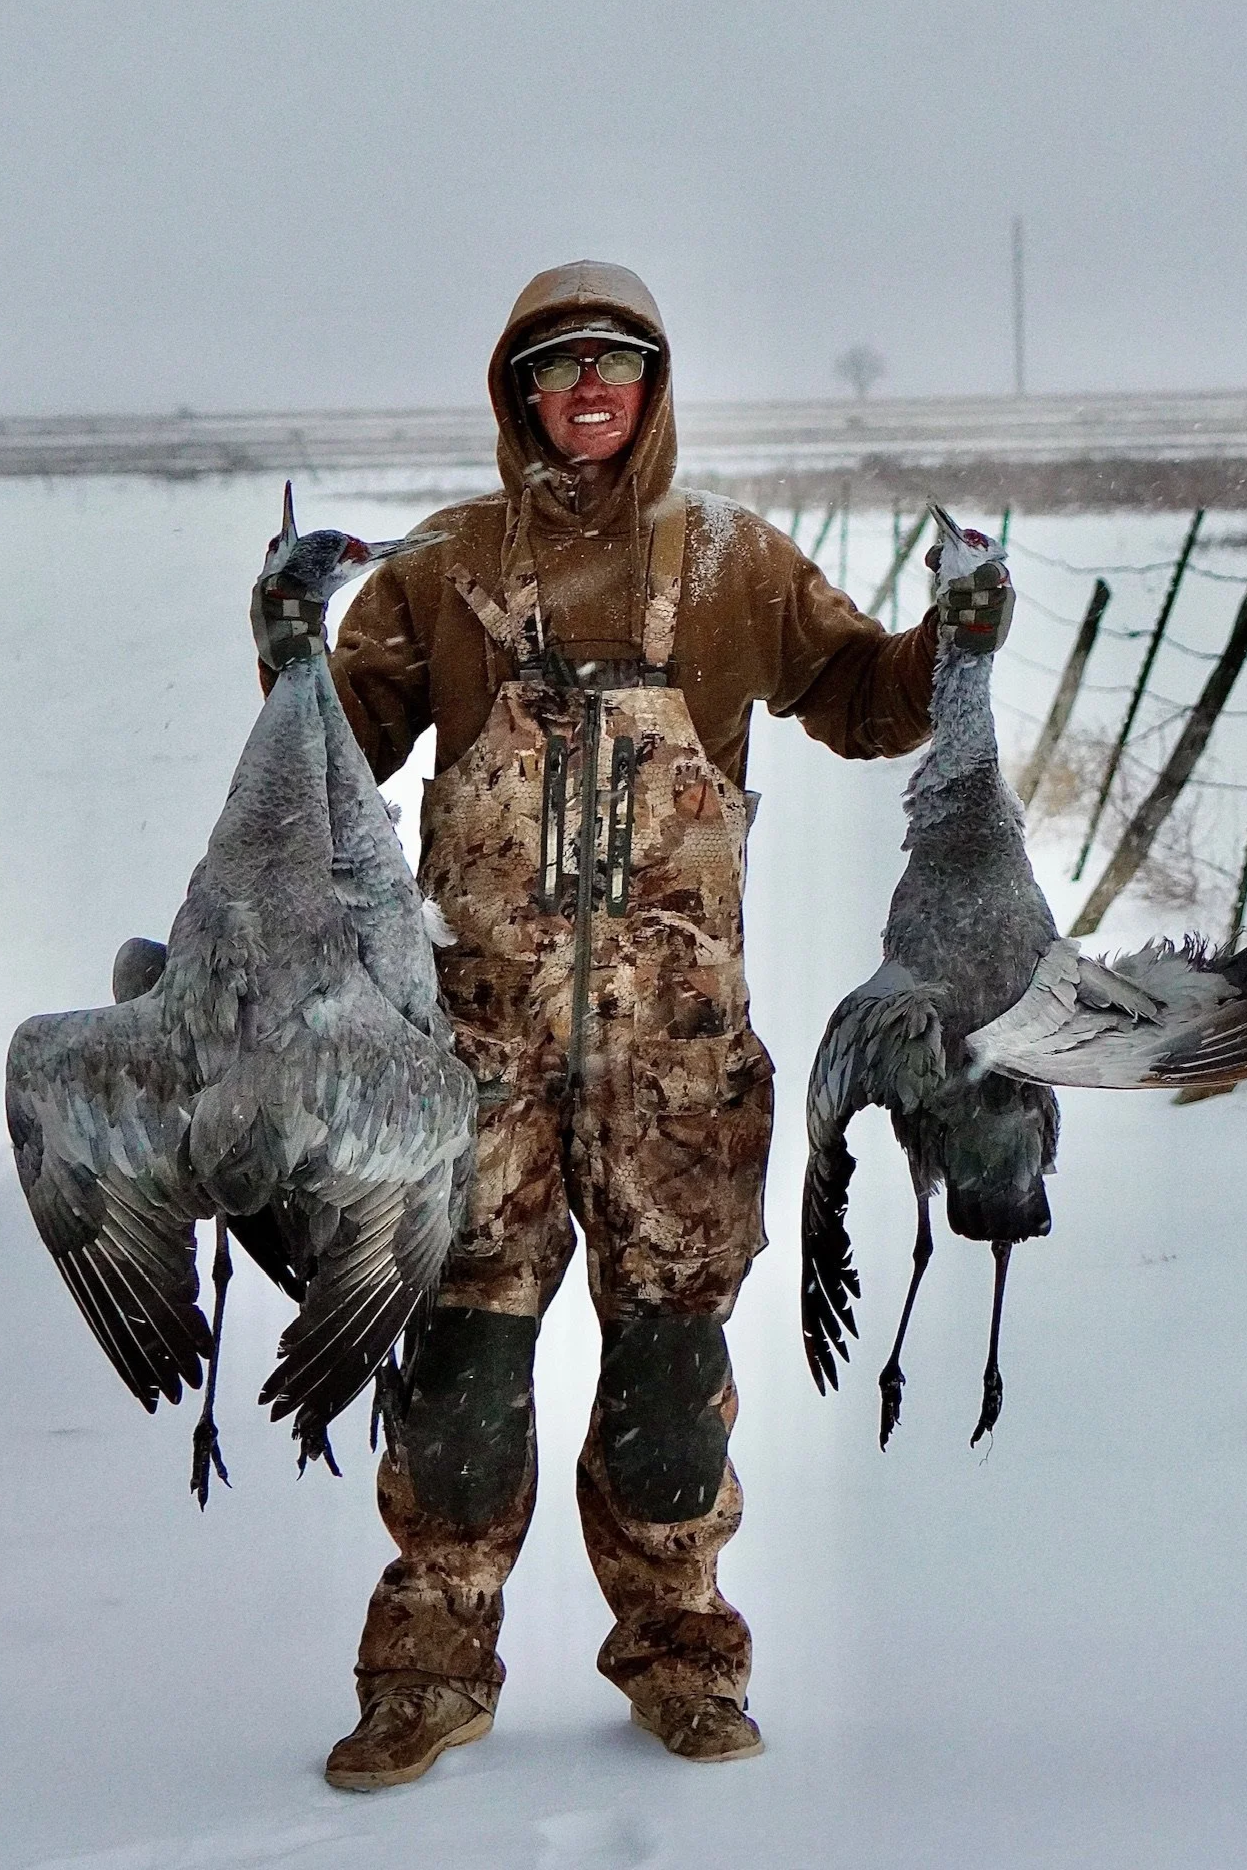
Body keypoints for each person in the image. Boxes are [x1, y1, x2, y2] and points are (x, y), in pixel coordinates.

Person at [255, 260, 1012, 1787]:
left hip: (677, 1075)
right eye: (556, 366)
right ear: (515, 391)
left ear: (652, 386)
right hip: (473, 1067)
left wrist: (953, 640)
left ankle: (680, 1655)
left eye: (615, 362)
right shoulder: (438, 570)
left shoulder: (735, 562)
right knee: (461, 1375)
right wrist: (284, 655)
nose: (587, 388)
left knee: (670, 1382)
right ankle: (426, 1669)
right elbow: (333, 759)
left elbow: (864, 698)